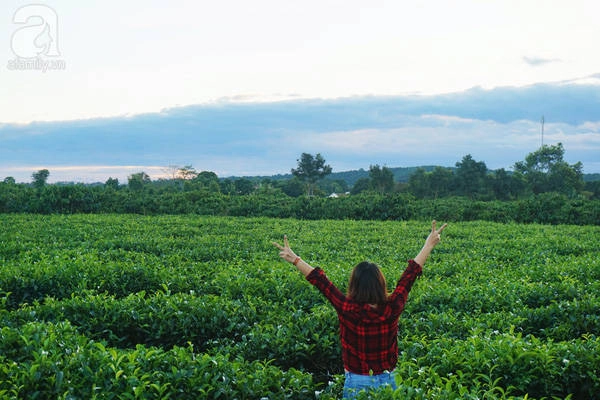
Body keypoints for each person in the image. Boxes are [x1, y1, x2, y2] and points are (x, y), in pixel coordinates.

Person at [273, 220, 447, 399]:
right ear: (380, 284)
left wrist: (295, 259)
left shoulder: (347, 308)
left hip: (357, 382)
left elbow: (321, 281)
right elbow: (408, 276)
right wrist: (428, 244)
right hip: (390, 380)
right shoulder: (392, 306)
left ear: (354, 285)